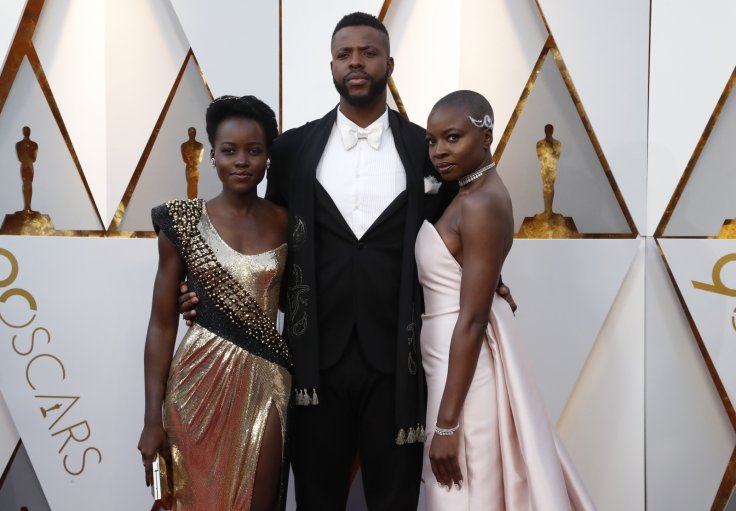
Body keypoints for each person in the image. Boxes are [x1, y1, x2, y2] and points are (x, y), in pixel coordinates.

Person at [179, 12, 514, 510]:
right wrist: (212, 292)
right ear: (332, 66)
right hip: (313, 360)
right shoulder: (292, 149)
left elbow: (457, 227)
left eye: (368, 53)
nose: (356, 63)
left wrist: (492, 277)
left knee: (396, 499)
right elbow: (265, 233)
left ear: (389, 64)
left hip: (400, 362)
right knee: (315, 499)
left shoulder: (427, 149)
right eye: (344, 55)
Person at [418, 90, 594, 510]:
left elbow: (473, 319)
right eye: (432, 140)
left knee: (465, 493)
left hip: (463, 368)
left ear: (486, 138)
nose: (439, 151)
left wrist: (446, 426)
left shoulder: (480, 203)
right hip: (449, 361)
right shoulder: (471, 194)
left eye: (453, 137)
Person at [137, 95, 291, 510]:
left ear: (267, 158)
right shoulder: (181, 221)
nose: (241, 161)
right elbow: (161, 323)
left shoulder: (287, 221)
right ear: (213, 156)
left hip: (266, 381)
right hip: (194, 382)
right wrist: (153, 419)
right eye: (229, 150)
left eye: (254, 150)